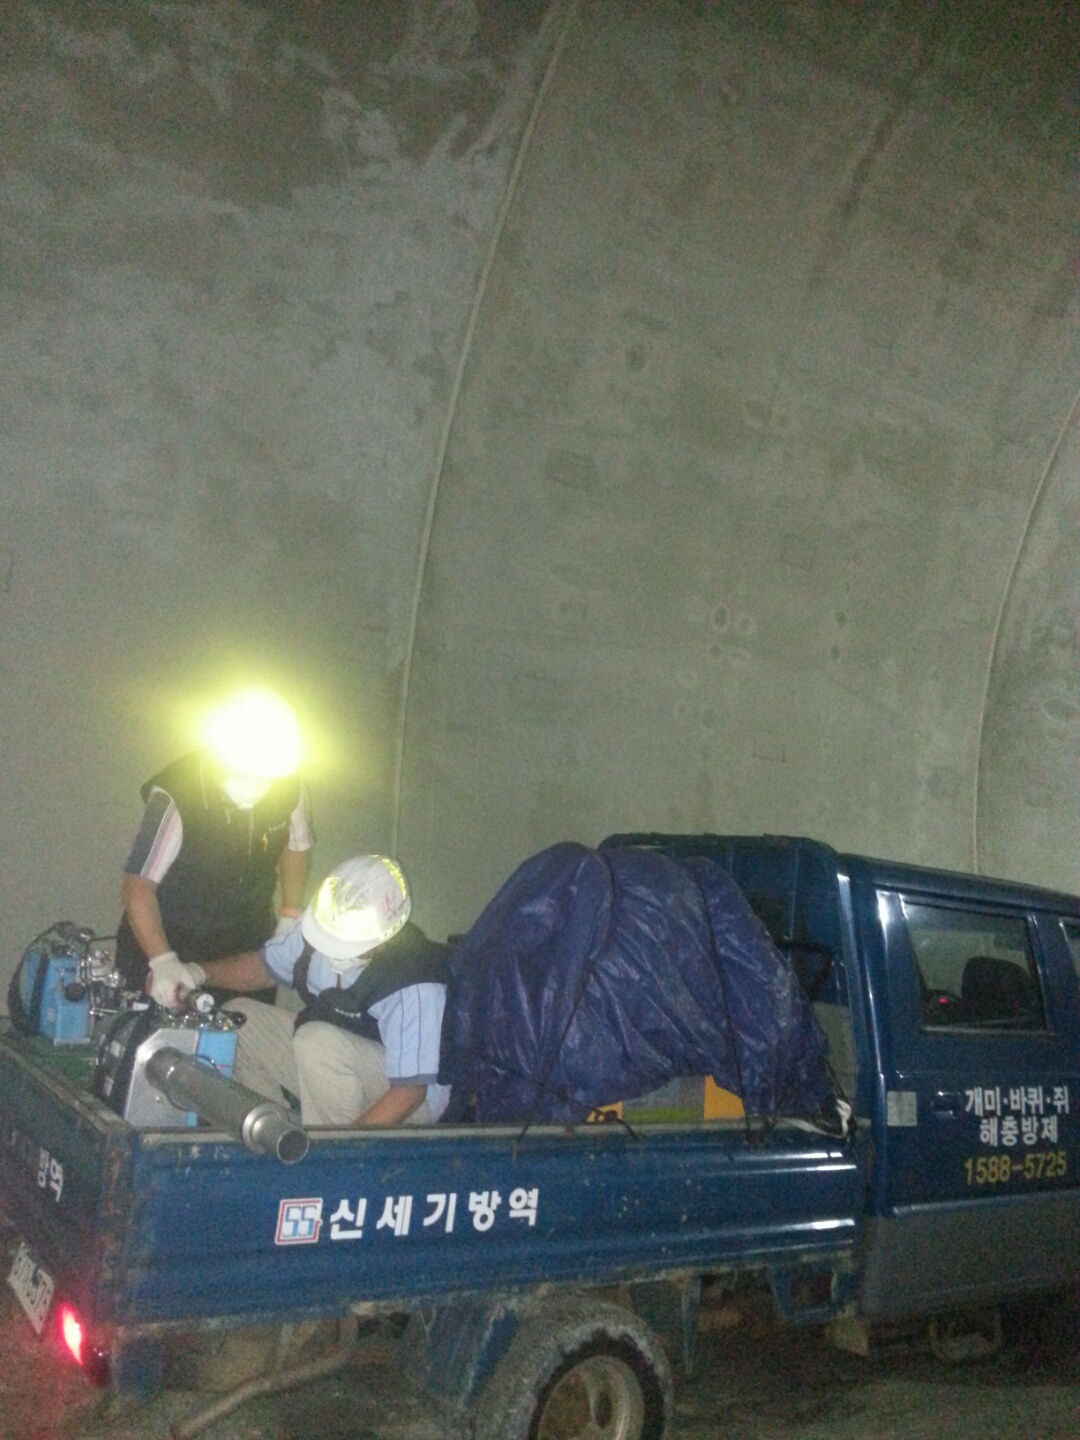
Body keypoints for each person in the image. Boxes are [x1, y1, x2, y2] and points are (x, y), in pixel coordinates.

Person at [147, 855, 451, 1127]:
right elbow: (263, 968)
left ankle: (328, 1158)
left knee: (316, 1042)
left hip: (411, 1096)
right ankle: (273, 1136)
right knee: (239, 1020)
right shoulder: (318, 927)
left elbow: (410, 1092)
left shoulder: (414, 980)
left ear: (388, 935)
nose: (332, 948)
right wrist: (195, 973)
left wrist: (349, 1146)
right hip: (335, 1060)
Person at [115, 686, 313, 1003]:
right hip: (169, 938)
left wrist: (289, 914)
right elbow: (137, 886)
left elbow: (296, 846)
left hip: (243, 943)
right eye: (244, 777)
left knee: (245, 1030)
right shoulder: (177, 793)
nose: (256, 787)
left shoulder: (288, 786)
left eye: (264, 780)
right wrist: (163, 961)